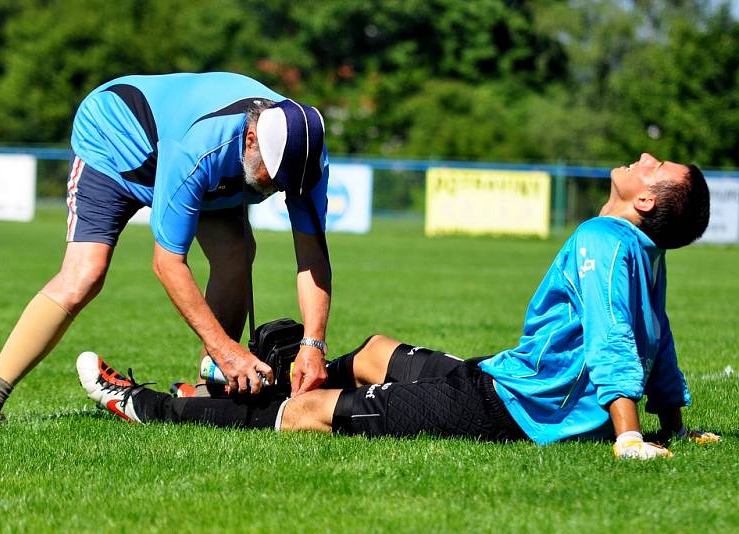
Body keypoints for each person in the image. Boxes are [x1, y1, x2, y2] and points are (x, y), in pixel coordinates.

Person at [77, 152, 719, 459]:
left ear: (643, 201)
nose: (644, 157)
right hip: (502, 376)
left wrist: (632, 436)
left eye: (656, 167)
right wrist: (676, 423)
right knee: (377, 352)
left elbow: (618, 341)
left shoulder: (602, 240)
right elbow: (657, 339)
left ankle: (148, 404)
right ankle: (264, 363)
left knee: (306, 414)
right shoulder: (639, 248)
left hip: (508, 408)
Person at [0, 72, 332, 422]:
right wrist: (226, 349)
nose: (279, 187)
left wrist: (313, 345)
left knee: (235, 253)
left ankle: (208, 396)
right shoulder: (198, 148)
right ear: (251, 140)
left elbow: (312, 256)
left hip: (203, 157)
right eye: (273, 176)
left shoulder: (306, 156)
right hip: (118, 142)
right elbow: (168, 264)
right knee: (85, 274)